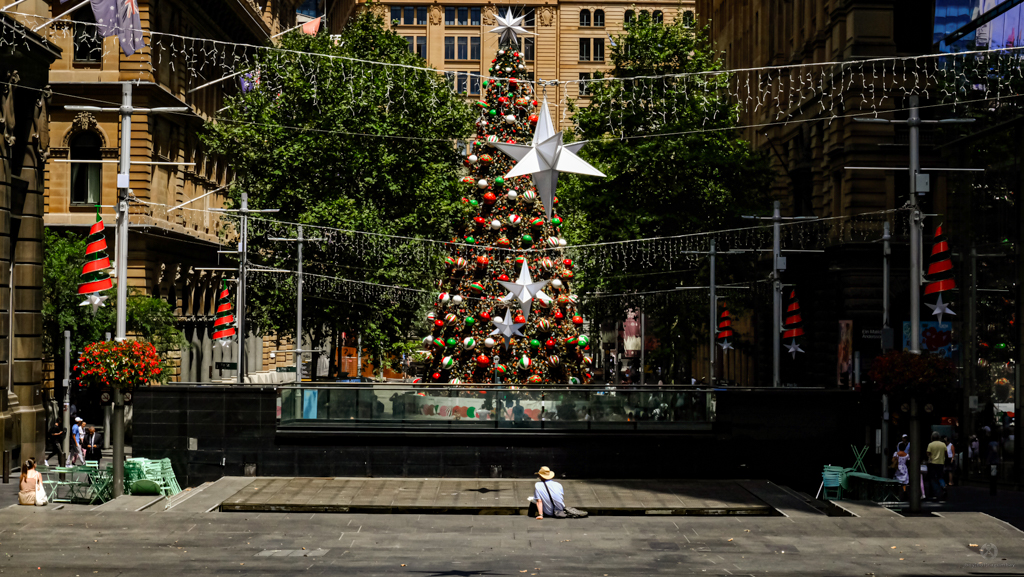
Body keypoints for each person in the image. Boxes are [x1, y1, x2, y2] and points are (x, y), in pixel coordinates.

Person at [926, 431, 946, 501]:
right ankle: (943, 486)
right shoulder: (943, 444)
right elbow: (945, 453)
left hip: (933, 463)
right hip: (941, 463)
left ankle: (936, 492)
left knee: (933, 478)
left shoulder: (930, 444)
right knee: (940, 476)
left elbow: (928, 453)